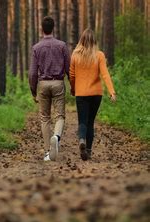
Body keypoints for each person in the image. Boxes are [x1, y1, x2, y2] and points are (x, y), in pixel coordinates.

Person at [70, 29, 117, 160]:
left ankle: (81, 140)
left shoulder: (75, 55)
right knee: (90, 122)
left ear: (82, 40)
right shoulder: (99, 55)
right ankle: (88, 151)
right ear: (94, 41)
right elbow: (105, 74)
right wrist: (111, 92)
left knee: (82, 121)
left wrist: (73, 89)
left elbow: (72, 76)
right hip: (96, 94)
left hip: (81, 93)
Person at [29, 16, 70, 161]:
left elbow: (33, 72)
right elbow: (68, 68)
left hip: (43, 84)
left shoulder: (36, 48)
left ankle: (47, 152)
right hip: (58, 83)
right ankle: (56, 137)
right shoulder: (62, 46)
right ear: (53, 28)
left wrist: (33, 90)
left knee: (45, 118)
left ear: (42, 29)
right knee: (60, 115)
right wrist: (73, 86)